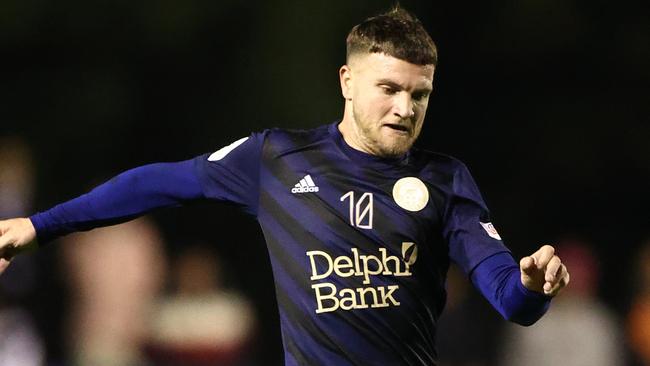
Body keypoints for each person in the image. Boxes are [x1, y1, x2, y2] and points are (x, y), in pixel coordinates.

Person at [0, 6, 569, 366]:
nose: (404, 108)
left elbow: (511, 300)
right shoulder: (277, 157)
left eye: (419, 95)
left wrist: (532, 285)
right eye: (389, 88)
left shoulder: (444, 179)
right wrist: (40, 226)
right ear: (347, 80)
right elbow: (157, 184)